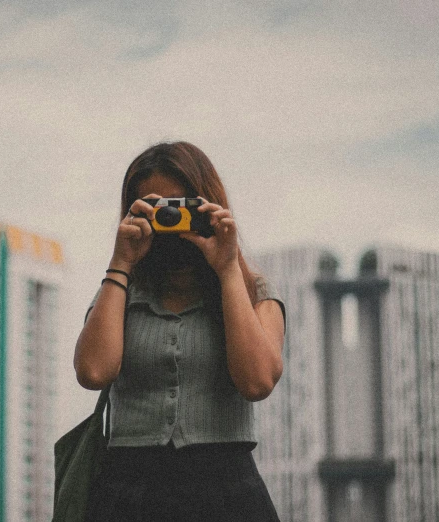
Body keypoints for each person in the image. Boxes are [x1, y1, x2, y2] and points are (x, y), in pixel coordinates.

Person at [74, 141, 286, 521]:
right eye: (159, 210)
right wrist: (120, 260)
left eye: (182, 208)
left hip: (227, 493)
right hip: (127, 493)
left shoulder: (254, 292)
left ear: (209, 207)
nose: (171, 221)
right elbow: (92, 372)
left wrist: (227, 270)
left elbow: (257, 383)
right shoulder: (120, 289)